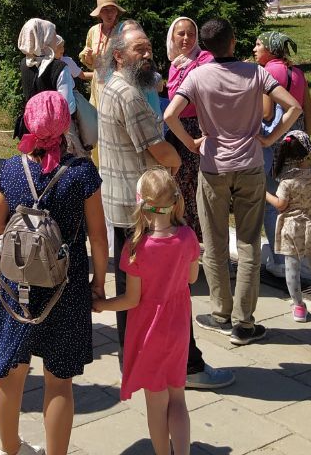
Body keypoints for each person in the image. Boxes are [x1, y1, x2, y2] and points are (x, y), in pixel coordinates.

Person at [99, 25, 231, 390]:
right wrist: (175, 164)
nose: (147, 54)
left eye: (149, 48)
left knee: (131, 292)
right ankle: (187, 366)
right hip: (146, 211)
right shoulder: (129, 94)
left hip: (122, 205)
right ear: (119, 56)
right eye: (139, 49)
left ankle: (133, 363)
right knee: (172, 290)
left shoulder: (112, 86)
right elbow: (161, 150)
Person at [162, 18, 302, 347]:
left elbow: (169, 115)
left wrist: (191, 142)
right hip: (251, 166)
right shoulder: (256, 73)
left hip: (212, 168)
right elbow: (293, 107)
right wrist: (270, 138)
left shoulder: (197, 75)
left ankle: (220, 314)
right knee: (250, 244)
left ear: (205, 46)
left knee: (214, 242)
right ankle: (244, 323)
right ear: (234, 40)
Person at [0, 90, 108, 455]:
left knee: (10, 370)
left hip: (18, 283)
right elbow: (99, 238)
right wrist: (99, 282)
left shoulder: (12, 168)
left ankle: (10, 449)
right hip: (65, 284)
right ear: (67, 124)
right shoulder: (83, 174)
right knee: (59, 381)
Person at [93, 169, 201, 455]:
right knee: (178, 396)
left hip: (149, 333)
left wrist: (102, 304)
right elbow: (191, 279)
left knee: (156, 401)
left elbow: (131, 300)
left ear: (141, 203)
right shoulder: (188, 237)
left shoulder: (136, 247)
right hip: (178, 328)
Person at [253, 31, 311, 276]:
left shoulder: (267, 73)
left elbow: (267, 113)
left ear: (270, 48)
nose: (254, 48)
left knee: (272, 201)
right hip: (295, 142)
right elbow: (308, 112)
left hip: (273, 144)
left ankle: (279, 260)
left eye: (259, 44)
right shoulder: (298, 73)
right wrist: (303, 141)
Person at [267, 132, 311, 322]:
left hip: (290, 229)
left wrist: (263, 193)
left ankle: (298, 307)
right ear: (309, 150)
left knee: (292, 269)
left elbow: (281, 204)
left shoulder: (287, 179)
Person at [164, 17, 210, 245]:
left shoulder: (204, 60)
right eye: (180, 33)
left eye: (190, 34)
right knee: (181, 189)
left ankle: (202, 242)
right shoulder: (175, 64)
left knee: (197, 189)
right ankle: (188, 243)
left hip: (196, 129)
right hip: (177, 132)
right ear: (172, 36)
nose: (186, 38)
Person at [13, 18, 75, 142]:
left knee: (33, 161)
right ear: (44, 39)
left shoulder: (24, 64)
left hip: (31, 129)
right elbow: (68, 106)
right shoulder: (59, 67)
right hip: (54, 134)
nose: (54, 38)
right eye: (52, 35)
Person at [79, 0, 124, 108]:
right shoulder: (93, 31)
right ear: (99, 13)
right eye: (104, 10)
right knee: (97, 116)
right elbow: (90, 64)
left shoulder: (123, 30)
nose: (109, 13)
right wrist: (88, 56)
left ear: (117, 12)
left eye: (112, 9)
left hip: (118, 81)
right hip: (98, 82)